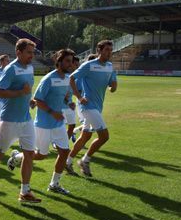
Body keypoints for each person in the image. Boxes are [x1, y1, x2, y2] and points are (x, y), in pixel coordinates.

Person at [0, 38, 40, 205]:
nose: (31, 56)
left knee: (29, 154)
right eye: (28, 52)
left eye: (33, 53)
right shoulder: (10, 69)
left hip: (26, 119)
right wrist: (20, 92)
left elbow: (27, 90)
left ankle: (25, 191)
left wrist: (30, 99)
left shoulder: (30, 68)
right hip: (10, 119)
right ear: (18, 52)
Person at [9, 49, 75, 194]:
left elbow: (62, 97)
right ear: (59, 62)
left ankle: (54, 184)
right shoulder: (48, 79)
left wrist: (68, 102)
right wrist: (52, 112)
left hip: (58, 124)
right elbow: (38, 100)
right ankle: (16, 158)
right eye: (67, 61)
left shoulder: (67, 78)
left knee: (65, 152)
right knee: (40, 155)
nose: (70, 64)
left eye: (71, 61)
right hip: (44, 125)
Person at [66, 40, 118, 177]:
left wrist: (113, 86)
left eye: (111, 50)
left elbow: (112, 84)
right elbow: (71, 78)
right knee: (104, 136)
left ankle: (67, 161)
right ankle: (85, 160)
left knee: (85, 136)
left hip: (98, 106)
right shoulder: (88, 65)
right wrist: (79, 97)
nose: (109, 53)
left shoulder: (110, 66)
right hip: (88, 106)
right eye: (107, 50)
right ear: (99, 51)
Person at [63, 55, 81, 141]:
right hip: (60, 106)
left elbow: (72, 91)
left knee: (72, 125)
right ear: (71, 64)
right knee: (59, 127)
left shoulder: (74, 77)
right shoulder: (65, 76)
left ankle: (64, 144)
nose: (78, 67)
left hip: (69, 105)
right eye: (76, 65)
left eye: (79, 65)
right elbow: (61, 93)